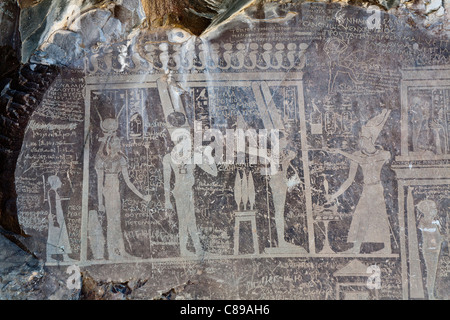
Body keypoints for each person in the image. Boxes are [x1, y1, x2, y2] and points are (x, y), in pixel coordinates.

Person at [326, 109, 392, 254]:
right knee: (361, 216)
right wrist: (335, 195)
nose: (360, 140)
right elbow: (349, 179)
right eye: (361, 137)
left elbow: (369, 159)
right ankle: (356, 249)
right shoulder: (357, 155)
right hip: (367, 189)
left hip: (376, 189)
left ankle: (387, 249)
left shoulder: (382, 154)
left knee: (380, 216)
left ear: (371, 138)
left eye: (364, 137)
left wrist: (341, 152)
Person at [95, 119, 151, 261]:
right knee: (112, 222)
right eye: (116, 143)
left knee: (116, 222)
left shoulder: (121, 160)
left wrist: (142, 196)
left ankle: (120, 252)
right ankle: (114, 253)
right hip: (108, 193)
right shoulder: (103, 160)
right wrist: (100, 203)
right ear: (110, 145)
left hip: (115, 192)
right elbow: (99, 183)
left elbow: (128, 182)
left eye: (119, 142)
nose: (119, 145)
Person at [163, 133, 217, 257]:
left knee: (191, 221)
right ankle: (186, 250)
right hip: (180, 192)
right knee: (185, 222)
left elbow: (214, 172)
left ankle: (196, 250)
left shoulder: (193, 157)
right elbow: (166, 182)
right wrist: (167, 200)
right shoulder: (169, 158)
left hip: (188, 192)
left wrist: (208, 156)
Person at [417, 200, 444, 299]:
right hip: (429, 249)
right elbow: (428, 234)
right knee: (430, 272)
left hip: (435, 249)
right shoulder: (423, 222)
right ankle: (430, 294)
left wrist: (442, 237)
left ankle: (432, 293)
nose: (436, 211)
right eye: (433, 209)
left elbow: (438, 236)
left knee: (433, 272)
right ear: (427, 210)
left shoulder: (434, 221)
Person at [46, 175, 74, 263]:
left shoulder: (54, 192)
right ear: (54, 182)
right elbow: (53, 207)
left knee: (59, 238)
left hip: (58, 218)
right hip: (56, 218)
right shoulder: (52, 192)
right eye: (59, 181)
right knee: (54, 238)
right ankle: (51, 257)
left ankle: (64, 256)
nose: (61, 183)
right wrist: (55, 220)